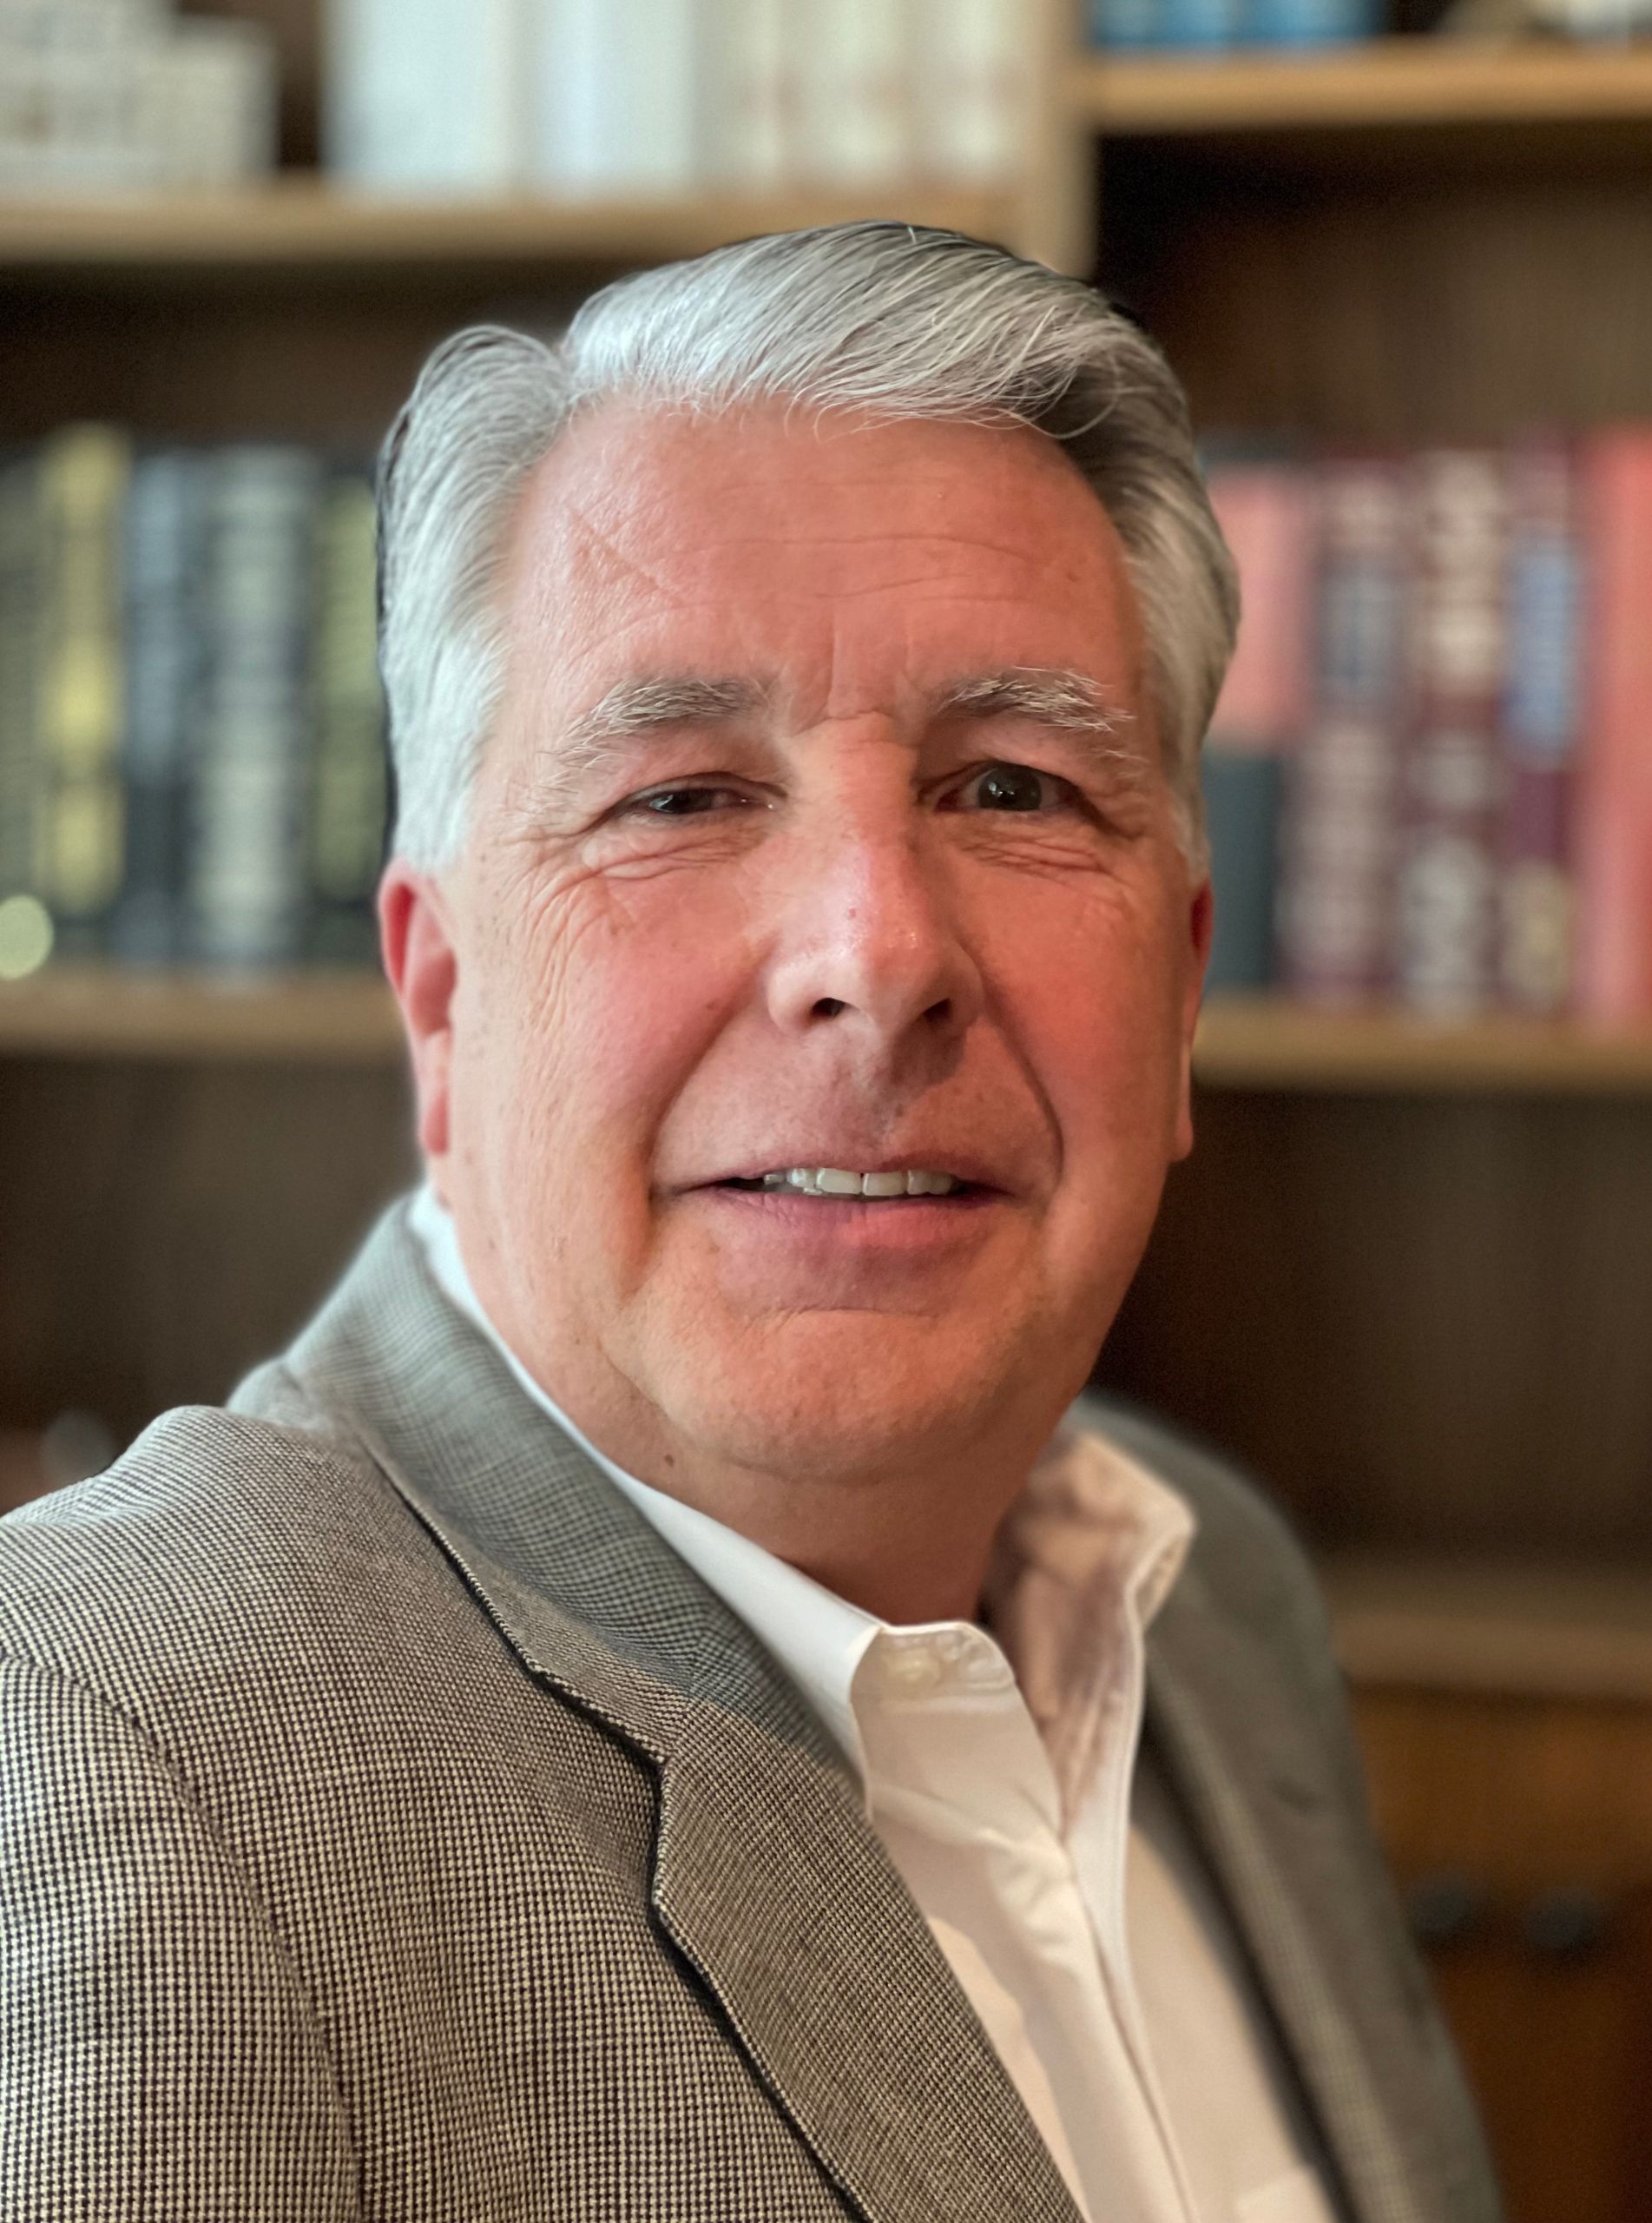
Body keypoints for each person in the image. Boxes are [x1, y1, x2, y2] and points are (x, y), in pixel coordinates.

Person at [0, 224, 1497, 2223]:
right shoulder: (105, 1741)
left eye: (1017, 787)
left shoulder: (1209, 1595)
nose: (878, 955)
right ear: (444, 997)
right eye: (684, 795)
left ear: (1185, 987)